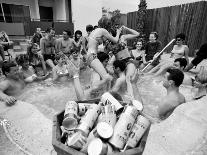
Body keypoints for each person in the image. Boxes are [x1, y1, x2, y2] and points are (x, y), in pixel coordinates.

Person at [86, 17, 122, 92]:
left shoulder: (94, 31)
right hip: (93, 56)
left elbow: (89, 45)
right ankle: (95, 92)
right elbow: (115, 40)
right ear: (107, 24)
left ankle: (93, 89)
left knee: (97, 75)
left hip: (89, 57)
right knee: (107, 77)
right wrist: (118, 32)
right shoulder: (103, 30)